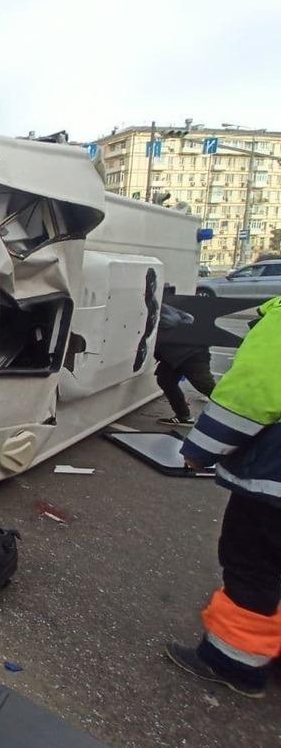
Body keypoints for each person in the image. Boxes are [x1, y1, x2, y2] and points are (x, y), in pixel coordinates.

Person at [166, 295, 281, 699]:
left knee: (253, 566)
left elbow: (251, 395)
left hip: (273, 486)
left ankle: (232, 662)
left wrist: (200, 451)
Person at [154, 303, 216, 425]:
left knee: (206, 386)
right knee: (165, 379)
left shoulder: (156, 307)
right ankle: (184, 416)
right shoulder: (162, 306)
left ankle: (238, 414)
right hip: (174, 355)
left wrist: (155, 327)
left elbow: (171, 321)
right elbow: (188, 317)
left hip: (191, 354)